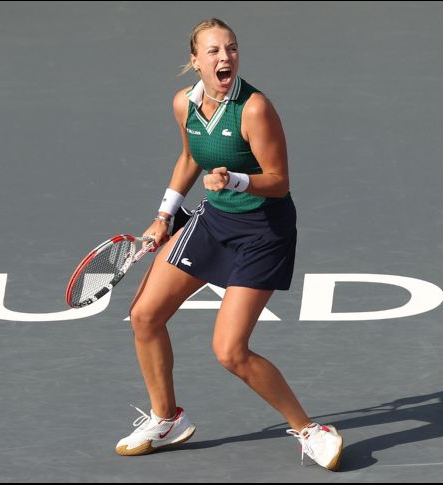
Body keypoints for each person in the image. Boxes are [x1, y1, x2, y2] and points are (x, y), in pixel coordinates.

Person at [114, 18, 343, 472]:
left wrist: (234, 178)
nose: (226, 58)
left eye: (232, 49)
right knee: (144, 315)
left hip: (263, 231)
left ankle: (310, 430)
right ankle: (167, 419)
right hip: (215, 222)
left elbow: (278, 182)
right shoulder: (184, 104)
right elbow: (189, 158)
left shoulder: (255, 108)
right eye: (214, 51)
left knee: (230, 351)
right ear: (195, 61)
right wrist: (164, 216)